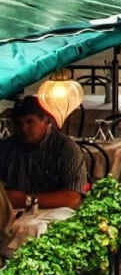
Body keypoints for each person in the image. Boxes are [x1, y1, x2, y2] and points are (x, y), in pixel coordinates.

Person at [0, 98, 85, 247]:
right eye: (18, 123)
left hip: (54, 214)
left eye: (29, 122)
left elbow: (73, 198)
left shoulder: (65, 147)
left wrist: (25, 199)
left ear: (46, 121)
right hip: (13, 214)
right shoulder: (6, 147)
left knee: (35, 232)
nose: (23, 128)